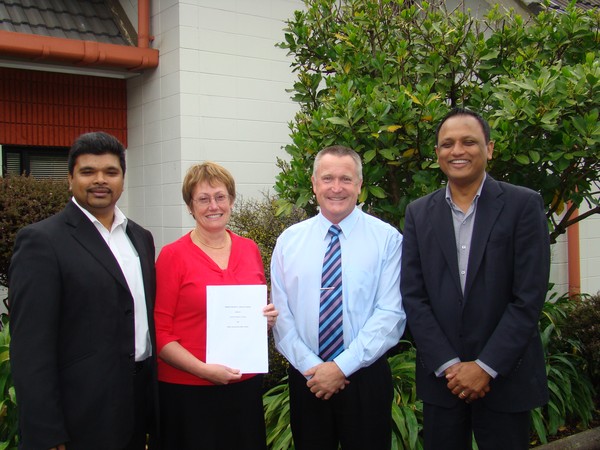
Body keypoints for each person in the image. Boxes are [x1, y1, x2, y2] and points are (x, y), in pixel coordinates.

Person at [400, 108, 550, 449]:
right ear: (437, 152)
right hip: (443, 381)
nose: (457, 151)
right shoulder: (419, 212)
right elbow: (413, 295)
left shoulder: (523, 205)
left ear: (490, 148)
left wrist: (485, 366)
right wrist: (450, 365)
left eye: (469, 142)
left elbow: (528, 297)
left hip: (505, 377)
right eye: (447, 144)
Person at [9, 132, 158, 450]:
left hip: (135, 405)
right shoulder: (42, 241)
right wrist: (46, 432)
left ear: (122, 179)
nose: (100, 180)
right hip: (80, 415)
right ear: (70, 179)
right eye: (88, 172)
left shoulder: (140, 238)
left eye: (111, 172)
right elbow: (31, 349)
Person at [271, 145, 406, 450]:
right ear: (314, 184)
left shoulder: (387, 239)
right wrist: (313, 368)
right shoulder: (289, 242)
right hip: (308, 378)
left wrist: (341, 367)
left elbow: (391, 313)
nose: (336, 187)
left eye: (346, 179)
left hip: (366, 377)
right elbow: (281, 315)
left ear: (360, 185)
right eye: (327, 178)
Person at [154, 162, 277, 450]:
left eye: (220, 197)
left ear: (232, 201)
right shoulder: (173, 256)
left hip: (243, 387)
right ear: (190, 206)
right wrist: (203, 370)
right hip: (187, 391)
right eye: (203, 199)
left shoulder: (250, 249)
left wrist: (266, 320)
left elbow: (256, 308)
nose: (214, 206)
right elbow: (160, 332)